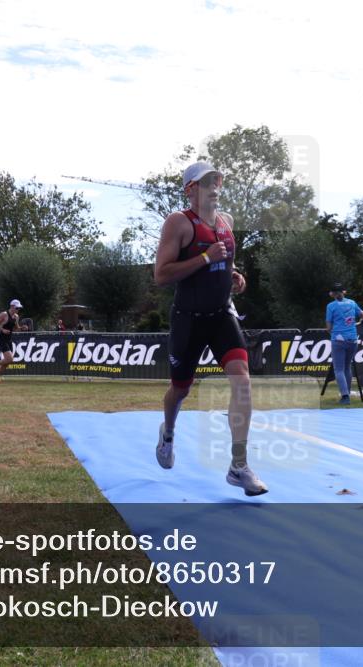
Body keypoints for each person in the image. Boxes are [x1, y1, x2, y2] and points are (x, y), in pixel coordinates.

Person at [152, 161, 266, 496]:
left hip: (220, 315)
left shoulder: (227, 222)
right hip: (188, 318)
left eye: (218, 180)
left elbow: (224, 260)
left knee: (242, 381)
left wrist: (234, 275)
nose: (215, 186)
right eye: (206, 182)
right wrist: (204, 259)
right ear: (190, 189)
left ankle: (238, 465)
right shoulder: (179, 223)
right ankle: (168, 432)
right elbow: (161, 275)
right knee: (180, 390)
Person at [325, 283, 363, 405]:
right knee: (347, 367)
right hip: (353, 339)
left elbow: (328, 327)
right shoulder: (352, 303)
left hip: (338, 340)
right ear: (344, 292)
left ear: (333, 293)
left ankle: (345, 397)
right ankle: (346, 393)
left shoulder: (331, 306)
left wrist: (334, 334)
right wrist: (361, 322)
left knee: (339, 370)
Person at [0, 299, 27, 383]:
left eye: (19, 308)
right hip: (2, 338)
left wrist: (22, 328)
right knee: (9, 359)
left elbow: (16, 329)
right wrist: (2, 330)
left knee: (8, 361)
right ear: (12, 306)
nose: (18, 310)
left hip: (9, 339)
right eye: (17, 308)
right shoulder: (4, 314)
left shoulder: (16, 317)